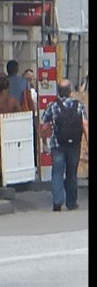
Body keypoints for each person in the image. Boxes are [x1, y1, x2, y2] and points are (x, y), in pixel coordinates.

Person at [38, 79, 88, 212]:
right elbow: (85, 124)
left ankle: (57, 202)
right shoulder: (79, 106)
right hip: (74, 145)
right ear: (71, 91)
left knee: (57, 173)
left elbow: (44, 127)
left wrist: (44, 142)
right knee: (72, 173)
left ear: (58, 92)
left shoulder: (52, 106)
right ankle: (71, 202)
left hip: (57, 144)